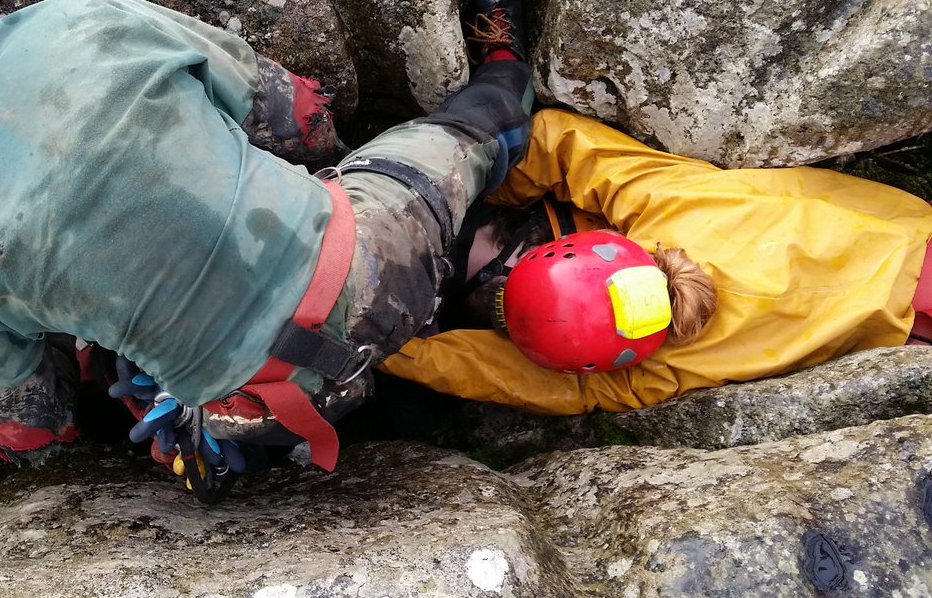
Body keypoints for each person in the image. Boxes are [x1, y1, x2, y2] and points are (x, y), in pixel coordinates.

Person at [0, 0, 536, 474]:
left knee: (160, 396)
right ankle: (504, 59)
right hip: (374, 260)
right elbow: (297, 117)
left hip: (263, 406)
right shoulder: (81, 17)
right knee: (477, 123)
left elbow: (29, 419)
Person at [378, 108, 932, 414]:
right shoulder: (674, 212)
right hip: (911, 242)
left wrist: (386, 346)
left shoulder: (654, 372)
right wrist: (497, 187)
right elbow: (559, 142)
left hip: (904, 313)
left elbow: (538, 384)